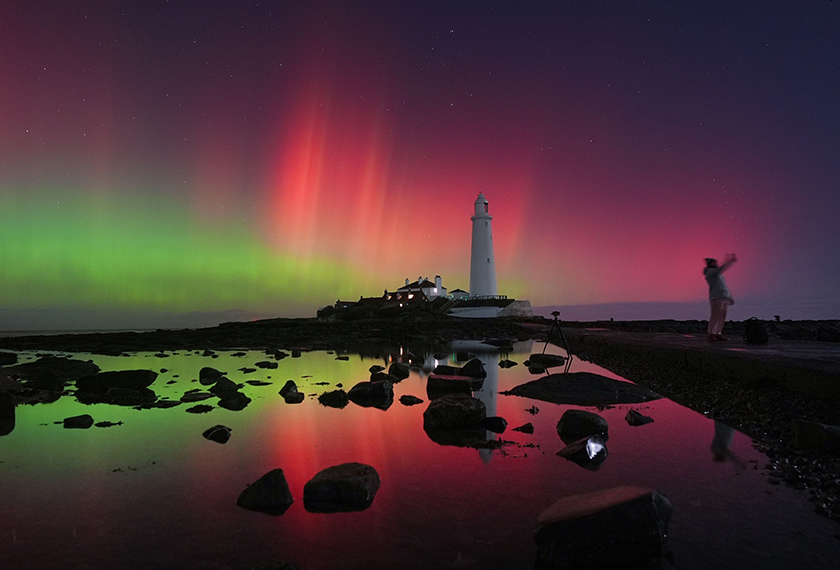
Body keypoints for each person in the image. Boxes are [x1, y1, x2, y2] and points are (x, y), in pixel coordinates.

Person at [704, 253, 736, 341]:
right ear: (709, 264)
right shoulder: (710, 273)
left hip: (723, 297)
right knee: (715, 315)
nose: (715, 264)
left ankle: (718, 333)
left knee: (722, 316)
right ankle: (711, 333)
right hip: (716, 297)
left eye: (715, 262)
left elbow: (724, 286)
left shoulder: (719, 275)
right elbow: (719, 270)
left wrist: (729, 297)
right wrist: (728, 262)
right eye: (713, 262)